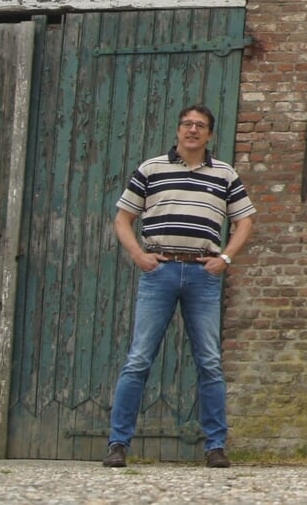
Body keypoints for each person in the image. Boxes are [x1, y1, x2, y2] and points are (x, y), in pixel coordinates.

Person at [103, 104, 255, 469]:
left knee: (210, 362)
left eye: (200, 126)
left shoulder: (224, 174)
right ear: (177, 130)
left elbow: (245, 220)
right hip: (161, 271)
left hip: (203, 275)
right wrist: (139, 255)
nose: (192, 130)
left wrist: (226, 258)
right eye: (187, 124)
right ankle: (117, 445)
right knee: (139, 360)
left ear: (209, 135)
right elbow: (123, 219)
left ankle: (215, 446)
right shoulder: (151, 169)